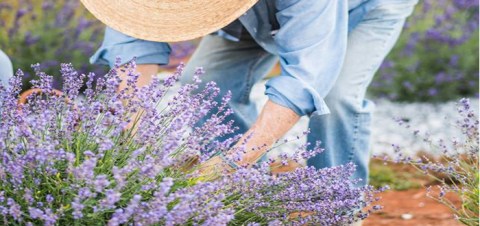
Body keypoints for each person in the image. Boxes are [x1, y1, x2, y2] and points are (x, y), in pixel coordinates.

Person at [84, 0, 418, 186]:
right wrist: (134, 136)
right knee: (204, 86)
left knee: (335, 97)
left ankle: (337, 206)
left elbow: (307, 77)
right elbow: (131, 47)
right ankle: (239, 197)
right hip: (246, 14)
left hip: (361, 8)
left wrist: (232, 161)